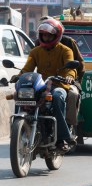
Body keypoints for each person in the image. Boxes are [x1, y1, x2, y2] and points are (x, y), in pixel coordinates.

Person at [12, 19, 77, 150]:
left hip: (59, 85)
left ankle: (63, 137)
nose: (46, 38)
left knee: (58, 97)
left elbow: (71, 67)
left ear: (56, 36)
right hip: (41, 85)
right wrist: (19, 76)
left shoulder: (66, 50)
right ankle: (17, 129)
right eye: (44, 35)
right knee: (19, 95)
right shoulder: (36, 51)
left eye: (49, 35)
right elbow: (27, 68)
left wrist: (69, 77)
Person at [35, 16, 85, 127]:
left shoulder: (68, 43)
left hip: (66, 80)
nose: (46, 35)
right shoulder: (39, 43)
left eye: (49, 32)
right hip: (44, 81)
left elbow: (80, 65)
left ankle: (68, 125)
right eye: (43, 33)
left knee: (72, 94)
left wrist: (73, 79)